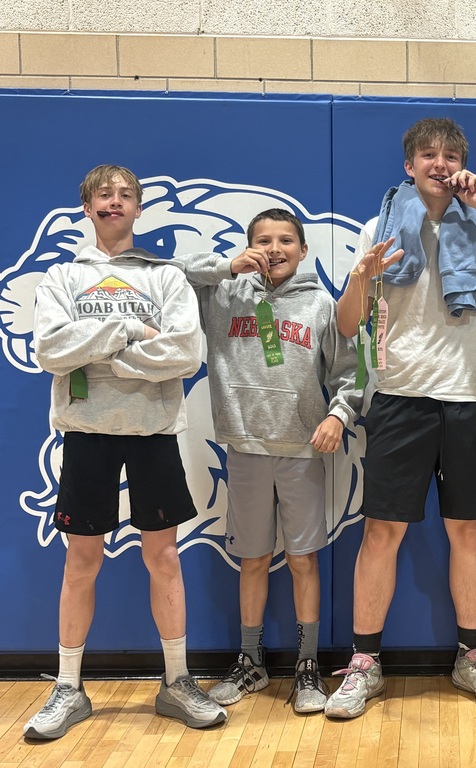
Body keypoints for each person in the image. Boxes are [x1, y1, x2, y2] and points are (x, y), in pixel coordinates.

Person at [328, 117, 476, 718]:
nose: (439, 163)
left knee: (466, 532)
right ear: (409, 165)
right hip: (397, 397)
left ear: (462, 163)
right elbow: (346, 326)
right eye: (428, 154)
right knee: (382, 533)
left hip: (466, 399)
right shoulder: (380, 225)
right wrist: (362, 278)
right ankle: (364, 664)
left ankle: (472, 658)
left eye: (450, 155)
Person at [25, 164, 226, 740]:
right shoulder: (63, 277)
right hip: (86, 433)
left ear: (139, 208)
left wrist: (99, 354)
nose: (114, 203)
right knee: (80, 561)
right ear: (86, 207)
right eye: (103, 196)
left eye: (125, 195)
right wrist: (129, 334)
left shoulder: (165, 277)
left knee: (164, 558)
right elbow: (50, 349)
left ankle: (177, 682)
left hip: (154, 432)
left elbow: (186, 352)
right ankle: (68, 688)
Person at [176, 209, 361, 715]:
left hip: (302, 451)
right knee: (253, 559)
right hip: (246, 448)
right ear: (248, 246)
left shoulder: (321, 304)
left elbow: (351, 373)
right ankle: (251, 658)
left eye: (285, 241)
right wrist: (228, 267)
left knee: (303, 560)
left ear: (303, 251)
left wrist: (339, 417)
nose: (274, 248)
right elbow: (175, 273)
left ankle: (307, 664)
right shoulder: (225, 294)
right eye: (263, 240)